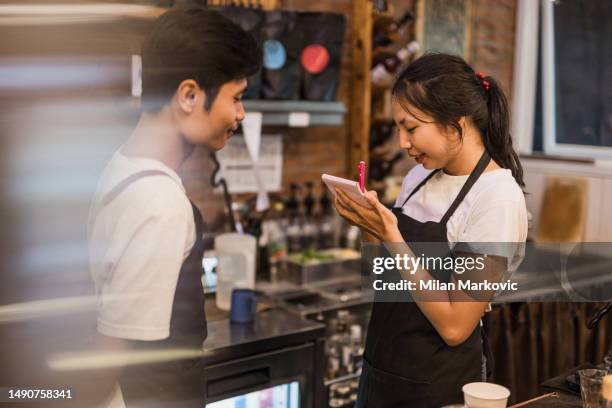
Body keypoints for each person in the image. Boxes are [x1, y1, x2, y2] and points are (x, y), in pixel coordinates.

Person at [87, 6, 261, 407]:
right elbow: (113, 357)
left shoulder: (121, 166)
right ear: (188, 95)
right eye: (236, 98)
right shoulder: (159, 202)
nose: (241, 114)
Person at [334, 53, 528, 407]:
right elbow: (384, 277)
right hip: (380, 376)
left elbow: (455, 326)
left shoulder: (496, 197)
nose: (402, 143)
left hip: (437, 389)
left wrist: (393, 237)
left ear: (456, 123)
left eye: (411, 128)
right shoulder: (418, 177)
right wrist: (368, 225)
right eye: (398, 129)